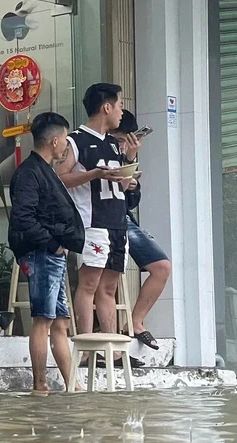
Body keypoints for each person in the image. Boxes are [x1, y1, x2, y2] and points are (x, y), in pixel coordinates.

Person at [57, 83, 135, 356]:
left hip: (117, 221)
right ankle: (87, 347)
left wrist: (131, 164)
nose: (121, 112)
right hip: (92, 222)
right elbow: (60, 178)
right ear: (107, 107)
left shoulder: (114, 144)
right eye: (120, 105)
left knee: (109, 287)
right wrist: (93, 174)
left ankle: (110, 349)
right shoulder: (75, 141)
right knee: (89, 284)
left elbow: (122, 186)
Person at [8, 112, 84, 392]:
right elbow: (23, 218)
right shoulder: (30, 173)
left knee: (60, 322)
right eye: (65, 139)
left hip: (52, 255)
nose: (66, 145)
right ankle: (39, 385)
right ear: (54, 141)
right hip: (42, 254)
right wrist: (52, 243)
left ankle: (72, 385)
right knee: (43, 320)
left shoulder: (42, 171)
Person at [113, 109, 168, 351]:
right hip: (102, 222)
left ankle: (136, 322)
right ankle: (108, 340)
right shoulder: (96, 149)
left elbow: (131, 202)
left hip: (123, 219)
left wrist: (132, 185)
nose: (123, 145)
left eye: (128, 140)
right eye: (120, 140)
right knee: (106, 280)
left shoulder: (127, 155)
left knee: (162, 267)